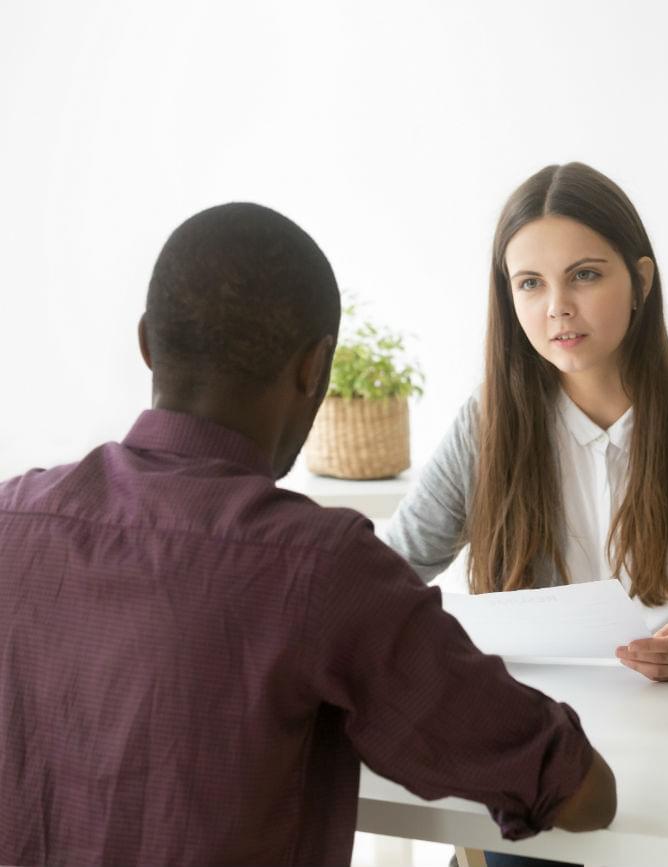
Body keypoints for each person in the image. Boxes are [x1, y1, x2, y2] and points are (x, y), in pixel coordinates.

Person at [0, 203, 615, 867]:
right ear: (315, 367)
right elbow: (581, 791)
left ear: (148, 343)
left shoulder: (12, 519)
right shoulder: (323, 568)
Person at [385, 162, 668, 683]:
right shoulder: (488, 421)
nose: (558, 308)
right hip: (539, 722)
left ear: (640, 281)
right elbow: (386, 574)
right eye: (531, 283)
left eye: (585, 275)